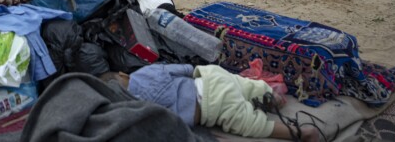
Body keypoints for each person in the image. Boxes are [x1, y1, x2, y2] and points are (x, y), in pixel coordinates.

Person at [107, 65, 320, 141]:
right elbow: (185, 69)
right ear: (123, 74)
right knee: (245, 85)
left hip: (214, 105)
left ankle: (301, 133)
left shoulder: (137, 107)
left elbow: (170, 127)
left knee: (250, 124)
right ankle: (270, 95)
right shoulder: (145, 72)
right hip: (213, 77)